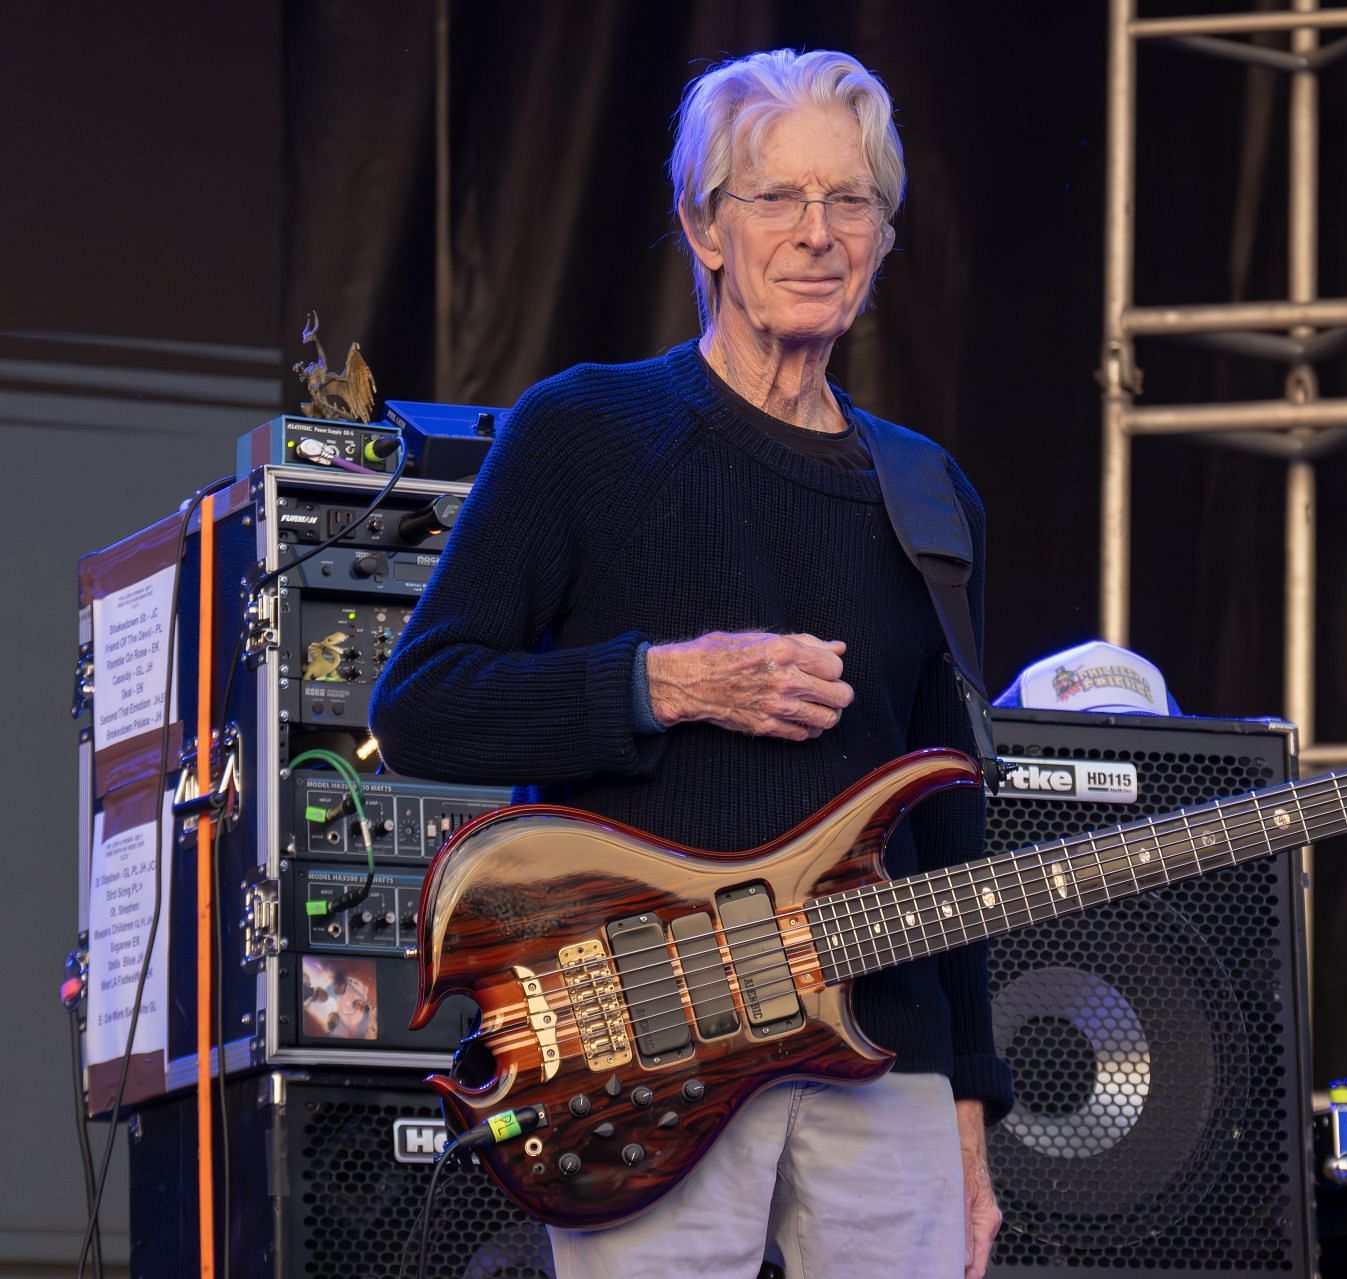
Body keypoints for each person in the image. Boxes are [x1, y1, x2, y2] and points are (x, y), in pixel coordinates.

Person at [369, 48, 1012, 1279]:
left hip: (883, 1058)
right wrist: (668, 682)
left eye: (852, 200)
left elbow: (951, 837)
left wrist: (969, 1130)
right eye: (777, 197)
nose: (818, 233)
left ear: (883, 237)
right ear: (703, 226)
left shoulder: (933, 496)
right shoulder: (584, 431)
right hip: (642, 1047)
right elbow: (421, 707)